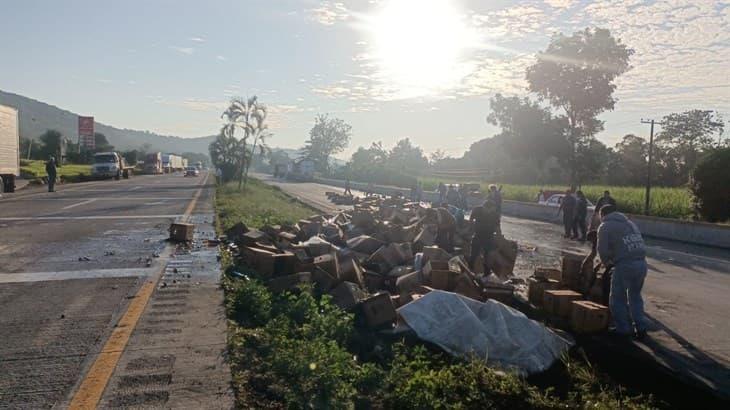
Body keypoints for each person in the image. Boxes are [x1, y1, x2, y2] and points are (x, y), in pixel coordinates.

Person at [597, 204, 648, 339]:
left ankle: (623, 329)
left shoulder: (605, 226)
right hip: (642, 263)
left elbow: (602, 250)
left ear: (602, 214)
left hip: (625, 264)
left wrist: (607, 264)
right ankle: (641, 327)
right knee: (635, 296)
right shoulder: (630, 223)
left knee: (617, 298)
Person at [468, 199, 500, 274]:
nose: (490, 212)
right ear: (484, 207)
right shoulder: (477, 210)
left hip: (489, 236)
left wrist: (499, 238)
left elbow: (497, 227)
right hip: (478, 235)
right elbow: (471, 219)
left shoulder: (495, 214)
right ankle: (469, 270)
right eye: (489, 210)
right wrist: (471, 228)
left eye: (492, 210)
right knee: (473, 254)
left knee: (488, 256)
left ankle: (486, 273)